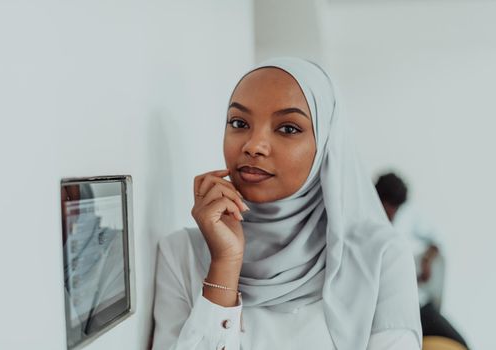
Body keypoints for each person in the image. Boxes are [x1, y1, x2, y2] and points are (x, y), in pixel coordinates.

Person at [152, 58, 422, 350]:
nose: (253, 145)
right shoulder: (181, 254)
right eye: (239, 123)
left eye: (288, 128)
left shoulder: (379, 257)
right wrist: (225, 265)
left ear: (326, 146)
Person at [375, 172, 468, 348]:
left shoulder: (408, 218)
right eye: (390, 206)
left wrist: (426, 260)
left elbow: (438, 241)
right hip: (389, 313)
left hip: (418, 305)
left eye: (397, 207)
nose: (393, 212)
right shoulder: (365, 226)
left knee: (460, 344)